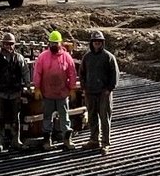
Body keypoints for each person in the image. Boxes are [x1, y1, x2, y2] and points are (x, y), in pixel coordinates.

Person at [32, 30, 77, 151]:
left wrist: (72, 88)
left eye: (56, 43)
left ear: (60, 43)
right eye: (51, 43)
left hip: (62, 94)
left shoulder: (66, 57)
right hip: (47, 94)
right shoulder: (43, 57)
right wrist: (37, 88)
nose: (53, 46)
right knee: (47, 117)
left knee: (64, 117)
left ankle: (67, 139)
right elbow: (37, 73)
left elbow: (72, 73)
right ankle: (47, 141)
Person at [79, 28, 119, 156]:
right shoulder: (87, 57)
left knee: (104, 118)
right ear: (91, 42)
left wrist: (109, 89)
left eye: (99, 41)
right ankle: (94, 140)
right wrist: (84, 88)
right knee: (92, 117)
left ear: (102, 42)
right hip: (91, 92)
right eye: (95, 41)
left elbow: (115, 74)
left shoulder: (109, 57)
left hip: (104, 93)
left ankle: (105, 143)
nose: (97, 43)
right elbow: (82, 73)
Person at [0, 31, 29, 153]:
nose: (8, 46)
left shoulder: (19, 58)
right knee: (0, 118)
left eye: (11, 44)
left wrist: (28, 85)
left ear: (14, 45)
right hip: (1, 93)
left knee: (15, 118)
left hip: (15, 93)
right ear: (2, 45)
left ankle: (16, 140)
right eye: (6, 44)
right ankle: (0, 142)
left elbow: (25, 72)